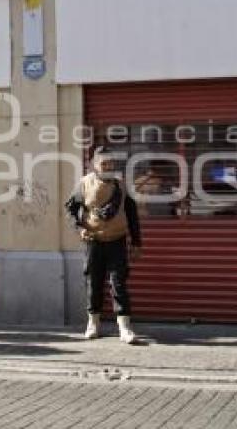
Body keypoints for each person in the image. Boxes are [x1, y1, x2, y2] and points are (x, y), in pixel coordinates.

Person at [65, 147, 142, 344]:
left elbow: (132, 214)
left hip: (117, 241)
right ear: (95, 165)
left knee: (119, 284)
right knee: (94, 283)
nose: (107, 166)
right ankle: (93, 323)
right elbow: (71, 209)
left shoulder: (121, 186)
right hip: (94, 241)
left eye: (110, 163)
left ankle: (124, 328)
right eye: (103, 163)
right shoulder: (83, 184)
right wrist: (79, 228)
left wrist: (136, 242)